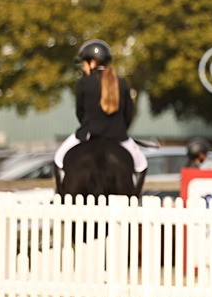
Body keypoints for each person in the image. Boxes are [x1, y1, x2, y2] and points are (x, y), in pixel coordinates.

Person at [53, 38, 147, 189]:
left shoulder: (84, 82)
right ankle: (137, 200)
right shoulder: (122, 82)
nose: (83, 67)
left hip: (88, 134)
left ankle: (60, 196)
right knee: (142, 165)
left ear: (92, 62)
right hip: (119, 136)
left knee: (58, 159)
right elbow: (128, 113)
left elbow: (80, 113)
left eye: (84, 63)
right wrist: (121, 130)